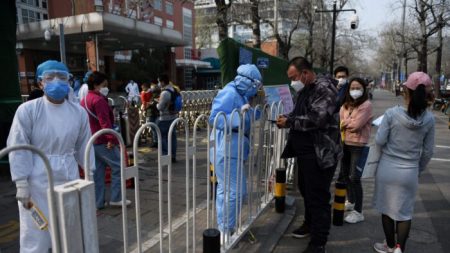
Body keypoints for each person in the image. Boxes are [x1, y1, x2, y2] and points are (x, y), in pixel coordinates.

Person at [7, 60, 94, 253]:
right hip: (36, 179)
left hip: (68, 175)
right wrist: (21, 182)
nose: (57, 81)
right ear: (40, 83)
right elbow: (18, 146)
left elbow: (84, 146)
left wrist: (90, 174)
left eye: (62, 77)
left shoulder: (78, 112)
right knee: (36, 233)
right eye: (49, 77)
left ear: (69, 81)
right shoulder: (28, 110)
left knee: (69, 228)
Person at [276, 56, 341, 253]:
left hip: (320, 153)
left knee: (318, 197)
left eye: (294, 77)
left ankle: (319, 242)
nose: (292, 82)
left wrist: (289, 123)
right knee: (306, 190)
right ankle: (310, 224)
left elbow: (317, 119)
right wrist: (287, 117)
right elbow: (299, 113)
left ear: (305, 73)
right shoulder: (306, 89)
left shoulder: (324, 89)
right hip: (306, 153)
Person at [373, 72, 435, 253]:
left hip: (388, 168)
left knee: (387, 209)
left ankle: (389, 245)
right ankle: (400, 249)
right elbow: (428, 151)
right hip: (410, 172)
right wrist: (417, 168)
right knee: (405, 213)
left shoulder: (392, 114)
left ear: (406, 91)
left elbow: (379, 140)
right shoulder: (429, 119)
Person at [209, 64, 262, 236]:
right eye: (256, 86)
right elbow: (214, 119)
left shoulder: (239, 93)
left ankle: (224, 227)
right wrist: (239, 117)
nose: (256, 91)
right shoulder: (230, 93)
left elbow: (244, 114)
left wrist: (257, 111)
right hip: (227, 149)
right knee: (237, 191)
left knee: (225, 190)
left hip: (231, 149)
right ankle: (226, 228)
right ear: (249, 82)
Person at [80, 71, 131, 209]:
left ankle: (98, 202)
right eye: (104, 85)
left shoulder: (84, 99)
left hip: (91, 141)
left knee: (98, 172)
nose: (106, 88)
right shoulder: (99, 100)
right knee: (118, 166)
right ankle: (116, 198)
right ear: (96, 85)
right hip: (102, 140)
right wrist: (111, 139)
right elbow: (105, 123)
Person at [338, 77, 373, 224]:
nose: (355, 90)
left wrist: (345, 123)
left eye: (358, 88)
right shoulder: (345, 105)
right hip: (345, 142)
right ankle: (351, 201)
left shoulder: (366, 105)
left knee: (355, 177)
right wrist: (346, 123)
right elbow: (340, 121)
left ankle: (359, 211)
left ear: (363, 89)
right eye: (352, 87)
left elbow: (357, 125)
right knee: (346, 175)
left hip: (358, 145)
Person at [156, 74, 179, 162]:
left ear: (162, 82)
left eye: (159, 82)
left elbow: (160, 107)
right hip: (173, 116)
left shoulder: (164, 93)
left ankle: (165, 156)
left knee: (161, 136)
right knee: (172, 137)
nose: (158, 83)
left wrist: (156, 104)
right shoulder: (174, 89)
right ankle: (173, 155)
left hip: (164, 118)